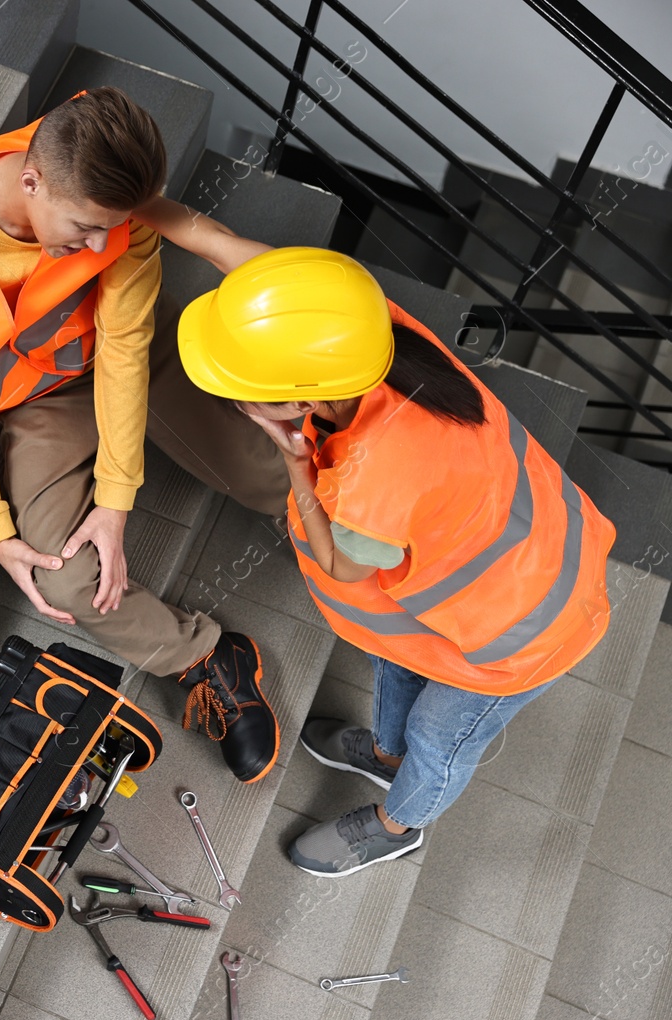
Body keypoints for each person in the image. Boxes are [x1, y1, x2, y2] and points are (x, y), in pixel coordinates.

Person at [0, 86, 290, 783]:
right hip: (36, 400)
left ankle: (352, 516)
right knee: (63, 581)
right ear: (31, 180)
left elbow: (125, 349)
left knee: (267, 478)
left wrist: (115, 499)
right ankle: (203, 659)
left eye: (112, 228)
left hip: (123, 354)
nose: (101, 245)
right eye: (84, 227)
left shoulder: (103, 178)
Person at [174, 246, 616, 874]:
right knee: (397, 657)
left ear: (302, 398)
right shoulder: (369, 337)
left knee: (441, 739)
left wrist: (298, 465)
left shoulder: (375, 478)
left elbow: (341, 564)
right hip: (531, 554)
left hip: (529, 636)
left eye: (247, 397)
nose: (242, 407)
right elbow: (274, 272)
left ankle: (398, 824)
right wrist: (165, 212)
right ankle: (384, 757)